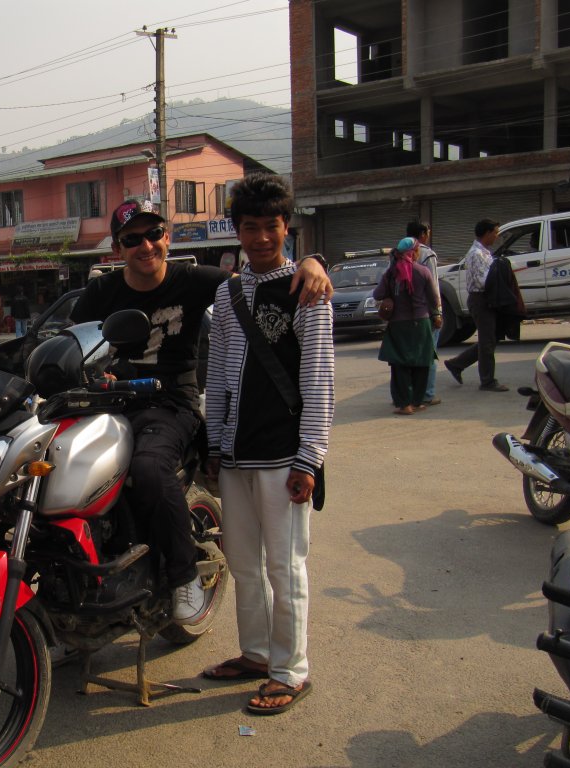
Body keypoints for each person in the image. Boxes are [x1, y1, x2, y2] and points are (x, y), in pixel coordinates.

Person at [70, 191, 332, 626]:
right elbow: (69, 343)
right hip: (108, 406)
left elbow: (260, 274)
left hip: (169, 404)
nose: (145, 246)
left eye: (153, 234)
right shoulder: (100, 292)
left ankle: (183, 575)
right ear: (117, 248)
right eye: (132, 239)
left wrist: (312, 262)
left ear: (167, 237)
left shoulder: (197, 282)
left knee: (149, 468)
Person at [201, 173, 334, 716]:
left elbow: (319, 380)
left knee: (285, 566)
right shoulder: (227, 292)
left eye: (271, 227)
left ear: (287, 227)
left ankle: (291, 670)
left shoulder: (309, 290)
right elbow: (218, 374)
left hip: (285, 455)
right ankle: (256, 654)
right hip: (235, 454)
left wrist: (310, 458)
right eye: (250, 227)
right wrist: (215, 444)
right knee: (243, 564)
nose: (260, 238)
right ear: (236, 231)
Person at [373, 238, 442, 415]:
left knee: (400, 365)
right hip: (421, 323)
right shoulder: (423, 271)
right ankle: (417, 402)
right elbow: (434, 300)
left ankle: (405, 405)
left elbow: (377, 294)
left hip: (398, 325)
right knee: (422, 362)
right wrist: (436, 315)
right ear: (415, 252)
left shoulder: (391, 273)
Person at [443, 219, 508, 391]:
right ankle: (487, 381)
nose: (497, 236)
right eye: (495, 233)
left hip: (487, 300)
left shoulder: (485, 252)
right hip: (481, 300)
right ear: (487, 233)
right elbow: (483, 281)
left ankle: (456, 364)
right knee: (487, 342)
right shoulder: (476, 254)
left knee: (489, 339)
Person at [406, 221, 442, 406]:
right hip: (424, 313)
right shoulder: (427, 254)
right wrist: (437, 313)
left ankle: (408, 394)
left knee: (408, 356)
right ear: (422, 234)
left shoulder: (398, 254)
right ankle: (427, 393)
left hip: (404, 315)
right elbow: (432, 287)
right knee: (429, 354)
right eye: (427, 232)